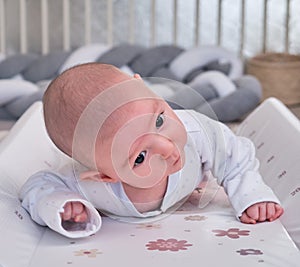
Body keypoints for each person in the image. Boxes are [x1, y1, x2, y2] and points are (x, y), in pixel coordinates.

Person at [20, 63, 283, 238]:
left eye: (159, 119)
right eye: (140, 157)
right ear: (104, 176)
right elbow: (37, 186)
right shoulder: (89, 185)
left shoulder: (194, 131)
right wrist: (64, 205)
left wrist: (251, 195)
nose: (167, 148)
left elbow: (234, 153)